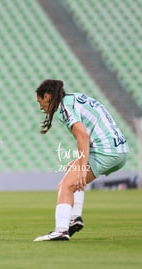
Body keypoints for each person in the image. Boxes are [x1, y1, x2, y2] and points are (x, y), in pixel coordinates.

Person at [33, 79, 129, 241]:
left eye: (40, 101)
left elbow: (82, 136)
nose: (40, 106)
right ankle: (74, 218)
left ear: (47, 96)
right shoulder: (75, 98)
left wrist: (82, 169)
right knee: (71, 170)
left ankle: (61, 230)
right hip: (120, 150)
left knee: (66, 186)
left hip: (106, 151)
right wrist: (79, 165)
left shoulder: (65, 107)